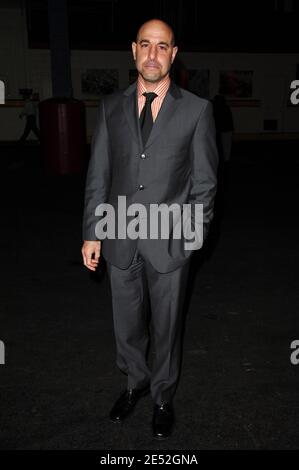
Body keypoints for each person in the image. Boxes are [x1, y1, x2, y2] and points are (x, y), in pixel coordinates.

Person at [81, 19, 218, 440]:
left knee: (166, 327)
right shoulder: (110, 107)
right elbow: (98, 175)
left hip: (170, 242)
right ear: (134, 51)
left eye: (163, 46)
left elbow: (205, 182)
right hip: (119, 235)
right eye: (146, 45)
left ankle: (161, 396)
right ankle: (134, 382)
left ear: (173, 54)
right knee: (127, 325)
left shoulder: (196, 110)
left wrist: (192, 236)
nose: (153, 54)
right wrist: (92, 231)